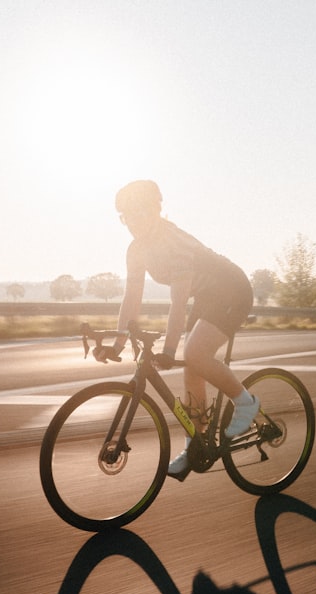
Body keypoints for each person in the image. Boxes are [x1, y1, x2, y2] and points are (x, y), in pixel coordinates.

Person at [93, 179, 260, 481]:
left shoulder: (175, 243)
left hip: (232, 290)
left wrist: (169, 350)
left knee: (194, 352)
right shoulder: (136, 250)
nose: (133, 222)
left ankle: (246, 404)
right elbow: (132, 298)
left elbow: (178, 303)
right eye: (127, 216)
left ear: (157, 210)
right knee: (191, 368)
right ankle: (195, 443)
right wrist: (117, 345)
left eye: (140, 212)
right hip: (208, 296)